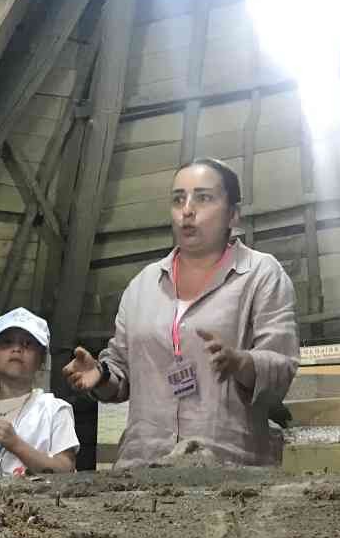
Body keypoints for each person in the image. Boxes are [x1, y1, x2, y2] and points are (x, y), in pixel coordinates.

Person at [62, 158, 299, 467]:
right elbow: (120, 376)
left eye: (204, 197)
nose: (187, 210)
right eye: (178, 199)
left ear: (233, 214)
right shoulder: (142, 285)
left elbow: (281, 366)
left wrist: (242, 363)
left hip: (229, 467)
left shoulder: (261, 274)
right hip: (141, 464)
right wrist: (101, 375)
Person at [0, 307, 78, 479]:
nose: (16, 349)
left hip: (33, 504)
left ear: (41, 359)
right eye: (6, 342)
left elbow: (66, 468)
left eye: (27, 344)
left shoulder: (54, 410)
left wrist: (16, 445)